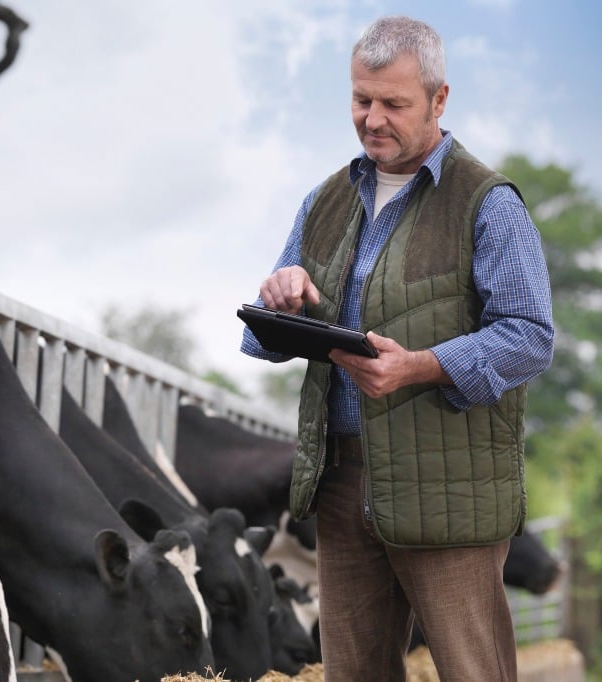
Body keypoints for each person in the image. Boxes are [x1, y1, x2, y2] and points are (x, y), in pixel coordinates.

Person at [240, 15, 554, 682]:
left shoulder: (488, 205)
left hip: (451, 487)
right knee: (352, 673)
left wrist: (421, 367)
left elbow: (530, 336)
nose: (372, 118)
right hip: (343, 480)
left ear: (439, 101)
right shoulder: (322, 201)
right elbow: (259, 338)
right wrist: (281, 297)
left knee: (474, 672)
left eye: (393, 103)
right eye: (361, 99)